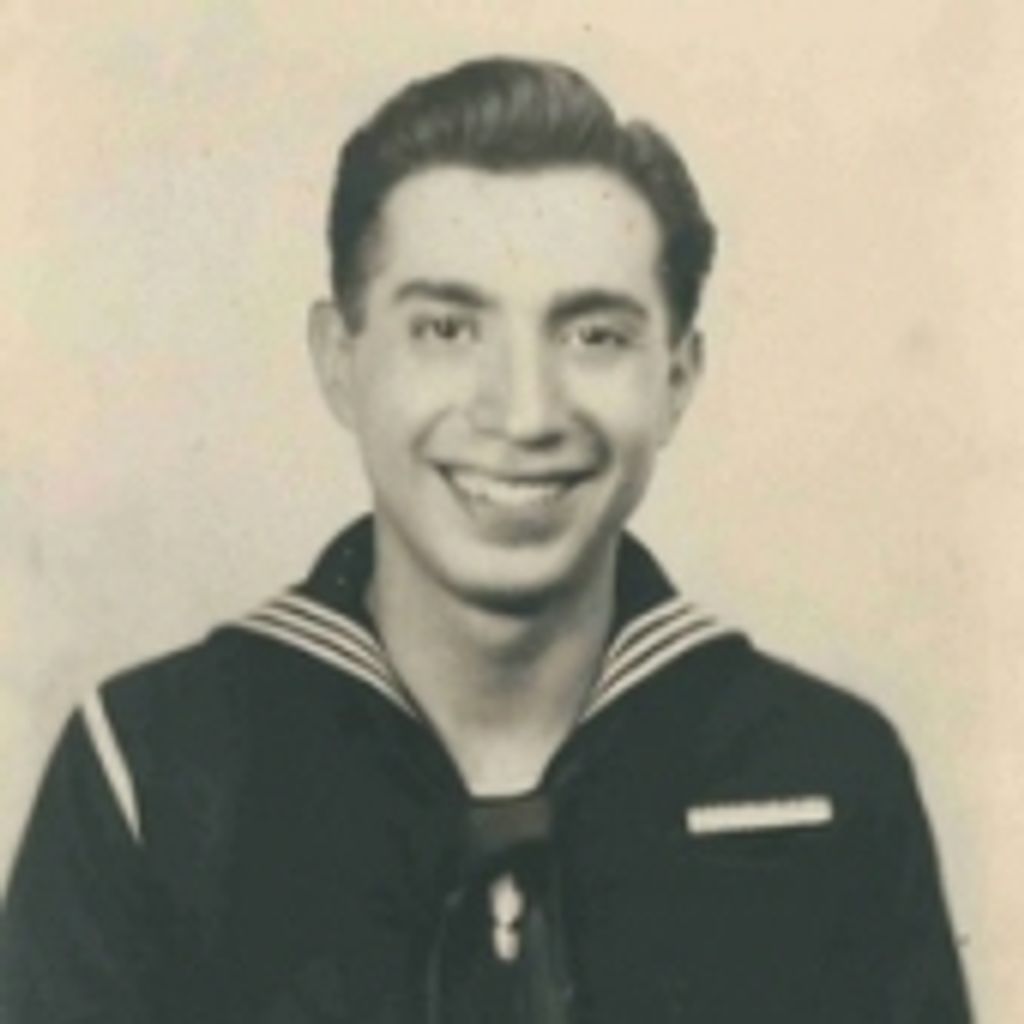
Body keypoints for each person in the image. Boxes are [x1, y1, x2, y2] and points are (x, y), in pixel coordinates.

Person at [2, 56, 970, 1023]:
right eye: (446, 329)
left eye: (593, 335)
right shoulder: (153, 768)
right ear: (340, 361)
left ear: (676, 381)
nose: (523, 412)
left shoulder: (823, 775)